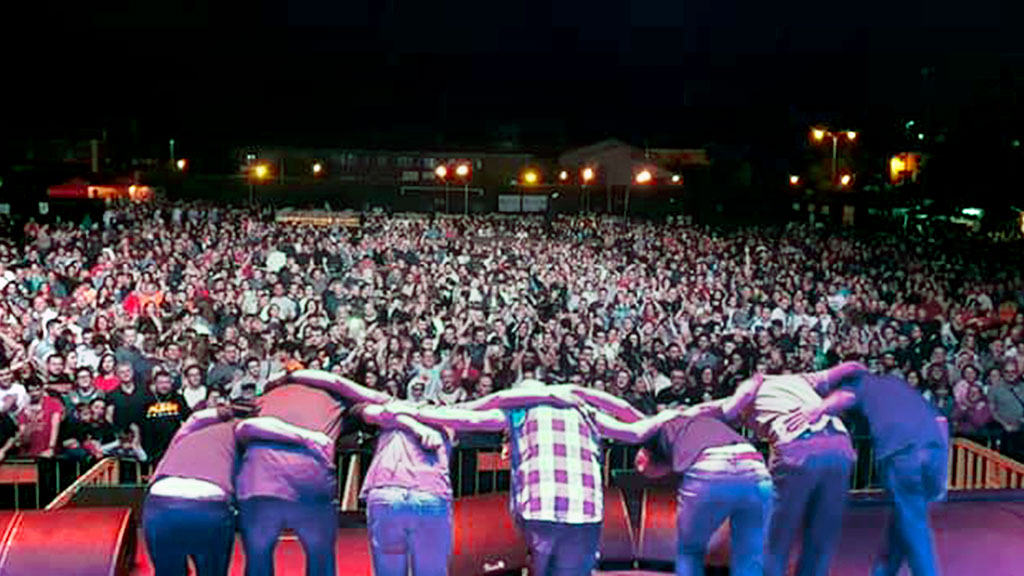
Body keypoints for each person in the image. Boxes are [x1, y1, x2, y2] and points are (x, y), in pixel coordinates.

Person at [400, 380, 678, 576]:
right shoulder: (584, 410)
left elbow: (468, 420)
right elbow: (634, 433)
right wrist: (674, 418)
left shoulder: (518, 411)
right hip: (584, 507)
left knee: (541, 568)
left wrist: (413, 413)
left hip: (540, 504)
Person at [687, 363, 865, 576]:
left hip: (798, 449)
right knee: (821, 538)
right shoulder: (799, 379)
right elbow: (854, 367)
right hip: (841, 449)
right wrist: (821, 407)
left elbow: (701, 411)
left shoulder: (743, 398)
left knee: (775, 538)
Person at [143, 394, 332, 576]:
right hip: (206, 508)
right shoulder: (236, 428)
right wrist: (308, 437)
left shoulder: (190, 433)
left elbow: (196, 417)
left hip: (158, 506)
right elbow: (252, 426)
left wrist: (221, 412)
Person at [234, 369, 392, 576]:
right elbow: (378, 407)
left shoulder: (262, 400)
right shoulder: (337, 399)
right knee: (320, 557)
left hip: (259, 482)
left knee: (258, 559)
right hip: (309, 483)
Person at [790, 371, 949, 576]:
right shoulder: (895, 383)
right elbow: (941, 421)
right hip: (934, 450)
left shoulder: (860, 385)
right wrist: (941, 476)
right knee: (906, 518)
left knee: (914, 523)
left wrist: (817, 409)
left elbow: (845, 397)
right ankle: (883, 572)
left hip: (902, 453)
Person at [634, 413, 773, 576]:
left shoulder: (663, 427)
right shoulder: (708, 420)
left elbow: (643, 464)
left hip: (711, 464)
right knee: (750, 551)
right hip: (754, 464)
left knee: (690, 549)